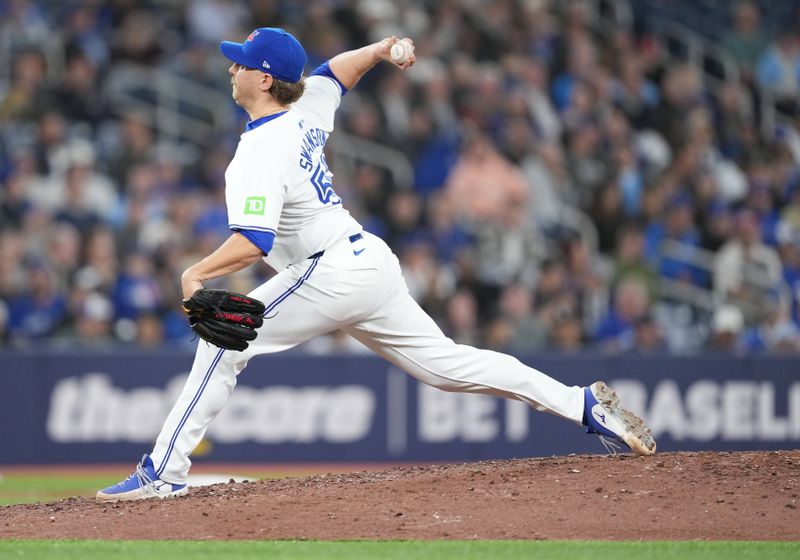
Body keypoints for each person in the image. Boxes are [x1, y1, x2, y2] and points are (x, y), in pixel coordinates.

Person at [97, 27, 656, 502]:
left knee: (222, 343)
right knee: (448, 368)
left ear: (264, 79)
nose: (231, 69)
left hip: (333, 269)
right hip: (368, 261)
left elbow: (255, 242)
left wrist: (195, 273)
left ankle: (163, 473)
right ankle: (582, 404)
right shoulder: (307, 105)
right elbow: (338, 71)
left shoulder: (260, 149)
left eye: (240, 64)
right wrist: (384, 47)